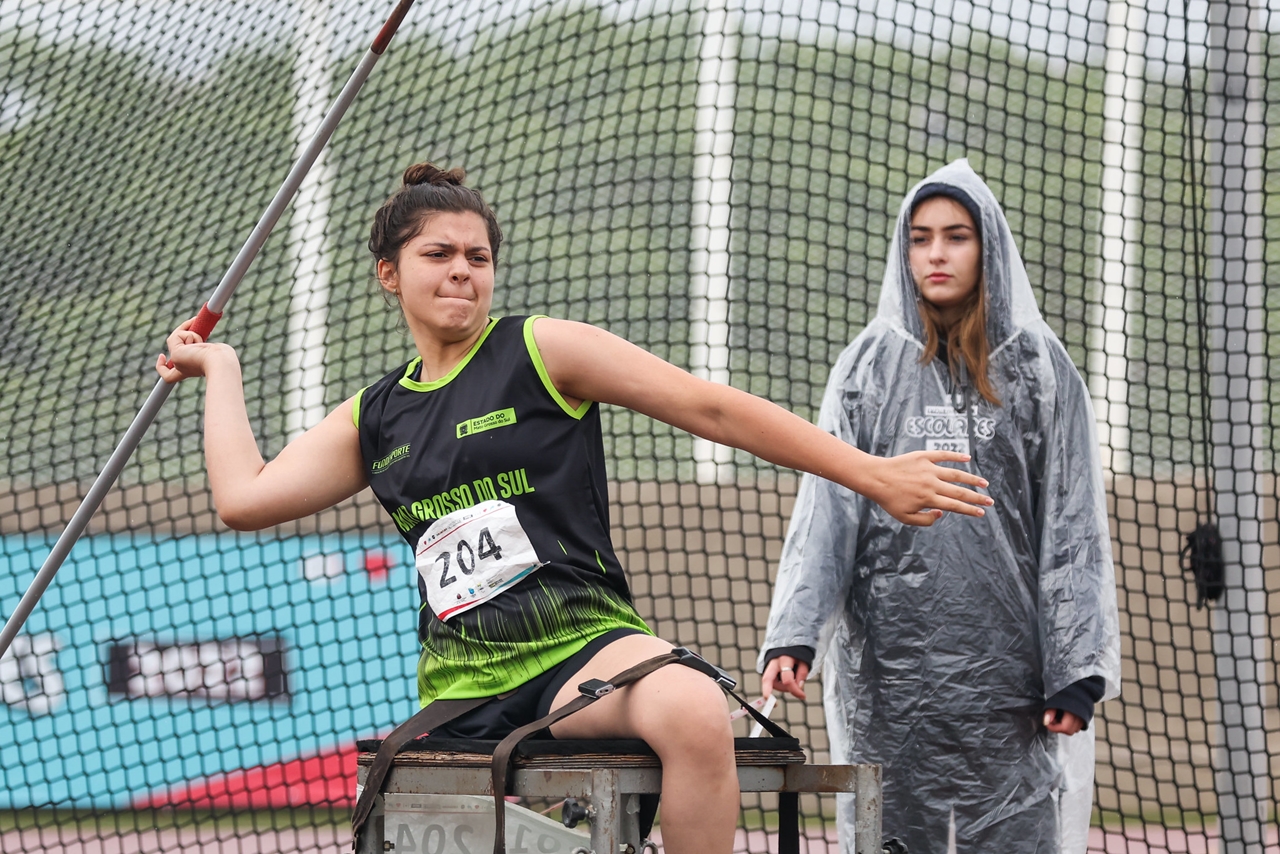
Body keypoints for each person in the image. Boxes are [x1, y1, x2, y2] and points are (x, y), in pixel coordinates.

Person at [156, 161, 992, 854]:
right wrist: (220, 371)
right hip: (465, 685)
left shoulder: (540, 350)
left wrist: (871, 473)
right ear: (390, 273)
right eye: (438, 254)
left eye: (477, 257)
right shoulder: (376, 415)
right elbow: (244, 498)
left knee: (694, 706)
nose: (461, 272)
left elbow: (712, 408)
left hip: (579, 656)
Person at [758, 159, 1120, 854]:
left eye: (956, 236)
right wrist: (795, 634)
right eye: (920, 238)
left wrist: (1075, 673)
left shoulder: (1041, 370)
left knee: (1017, 833)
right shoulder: (867, 368)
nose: (937, 254)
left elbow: (1071, 527)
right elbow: (828, 510)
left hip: (1012, 681)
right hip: (890, 674)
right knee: (889, 833)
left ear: (988, 246)